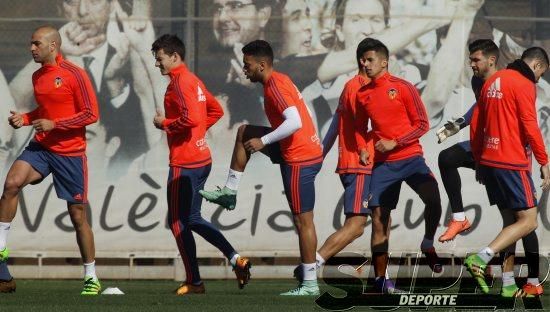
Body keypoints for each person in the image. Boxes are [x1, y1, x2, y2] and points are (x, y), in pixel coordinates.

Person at [200, 40, 323, 295]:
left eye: (247, 65)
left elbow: (295, 121)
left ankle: (310, 283)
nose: (245, 69)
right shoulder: (275, 81)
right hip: (296, 149)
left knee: (303, 221)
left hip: (300, 157)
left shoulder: (275, 85)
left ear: (262, 65)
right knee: (245, 132)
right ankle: (229, 192)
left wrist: (264, 141)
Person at [0, 26, 100, 295]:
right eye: (30, 44)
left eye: (36, 44)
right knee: (11, 183)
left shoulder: (75, 74)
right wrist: (26, 118)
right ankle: (0, 248)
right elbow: (43, 112)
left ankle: (91, 275)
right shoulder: (37, 76)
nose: (31, 48)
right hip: (41, 148)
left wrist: (55, 123)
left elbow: (91, 114)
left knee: (77, 216)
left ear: (53, 46)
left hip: (70, 154)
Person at [150, 34, 251, 295]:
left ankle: (194, 281)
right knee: (192, 218)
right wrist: (195, 136)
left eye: (160, 59)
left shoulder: (181, 82)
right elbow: (214, 111)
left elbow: (191, 118)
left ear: (175, 57)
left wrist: (166, 124)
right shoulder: (191, 80)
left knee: (177, 221)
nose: (157, 64)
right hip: (201, 159)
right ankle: (235, 259)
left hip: (185, 163)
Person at [354, 39, 442, 293]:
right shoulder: (362, 94)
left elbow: (422, 124)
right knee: (380, 219)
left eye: (370, 59)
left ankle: (427, 243)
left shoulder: (402, 88)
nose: (365, 64)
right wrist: (362, 147)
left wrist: (396, 141)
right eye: (363, 60)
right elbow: (360, 128)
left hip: (412, 159)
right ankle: (380, 280)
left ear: (384, 62)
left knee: (434, 199)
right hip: (384, 167)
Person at [466, 47, 550, 296]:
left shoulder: (493, 80)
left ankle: (508, 283)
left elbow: (476, 123)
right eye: (541, 73)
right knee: (529, 221)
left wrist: (480, 161)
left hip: (490, 161)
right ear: (536, 66)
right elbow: (530, 125)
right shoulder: (525, 84)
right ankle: (480, 259)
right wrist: (544, 161)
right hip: (511, 162)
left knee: (511, 223)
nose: (539, 79)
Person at [314, 38, 374, 273]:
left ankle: (382, 279)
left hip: (365, 163)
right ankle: (310, 267)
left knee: (381, 221)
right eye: (381, 62)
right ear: (365, 61)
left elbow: (335, 123)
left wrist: (321, 155)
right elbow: (363, 125)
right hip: (359, 163)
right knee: (356, 225)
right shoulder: (357, 87)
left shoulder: (357, 87)